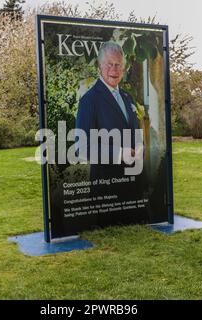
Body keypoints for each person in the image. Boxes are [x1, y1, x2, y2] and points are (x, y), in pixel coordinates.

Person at [76, 41, 147, 226]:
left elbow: (134, 131)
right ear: (100, 66)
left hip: (132, 190)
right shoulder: (89, 101)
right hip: (106, 195)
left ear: (123, 68)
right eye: (110, 64)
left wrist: (140, 147)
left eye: (118, 65)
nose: (114, 69)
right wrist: (118, 154)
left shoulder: (127, 97)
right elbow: (82, 148)